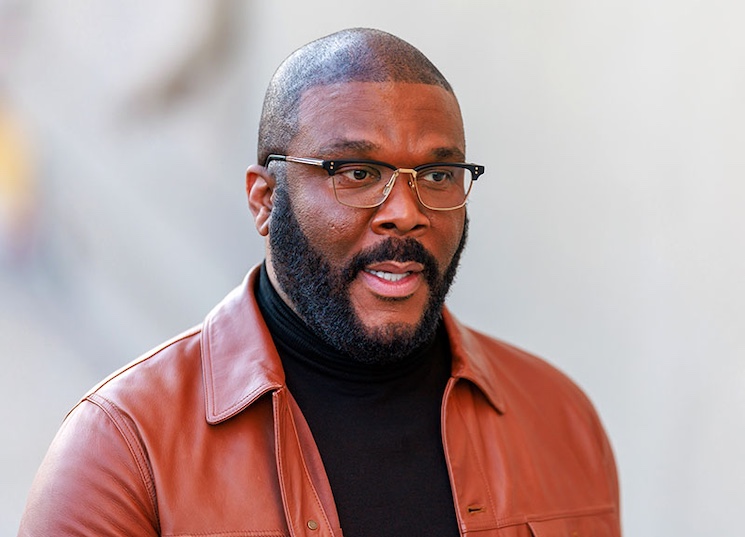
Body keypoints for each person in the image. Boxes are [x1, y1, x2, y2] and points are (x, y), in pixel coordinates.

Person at [18, 28, 621, 537]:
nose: (406, 212)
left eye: (438, 175)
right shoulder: (124, 447)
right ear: (264, 199)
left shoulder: (558, 417)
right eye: (356, 172)